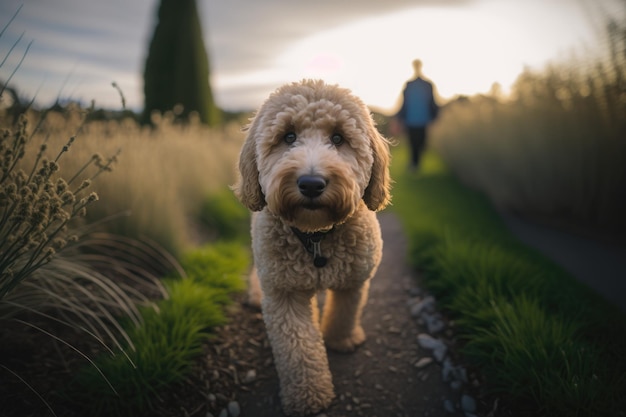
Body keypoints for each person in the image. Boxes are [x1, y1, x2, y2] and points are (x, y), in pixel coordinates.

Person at [394, 59, 439, 172]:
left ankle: (415, 163)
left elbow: (432, 101)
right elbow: (404, 103)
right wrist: (399, 117)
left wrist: (435, 114)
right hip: (410, 120)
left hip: (423, 119)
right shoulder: (409, 85)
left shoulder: (428, 85)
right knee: (413, 142)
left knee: (421, 142)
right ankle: (414, 165)